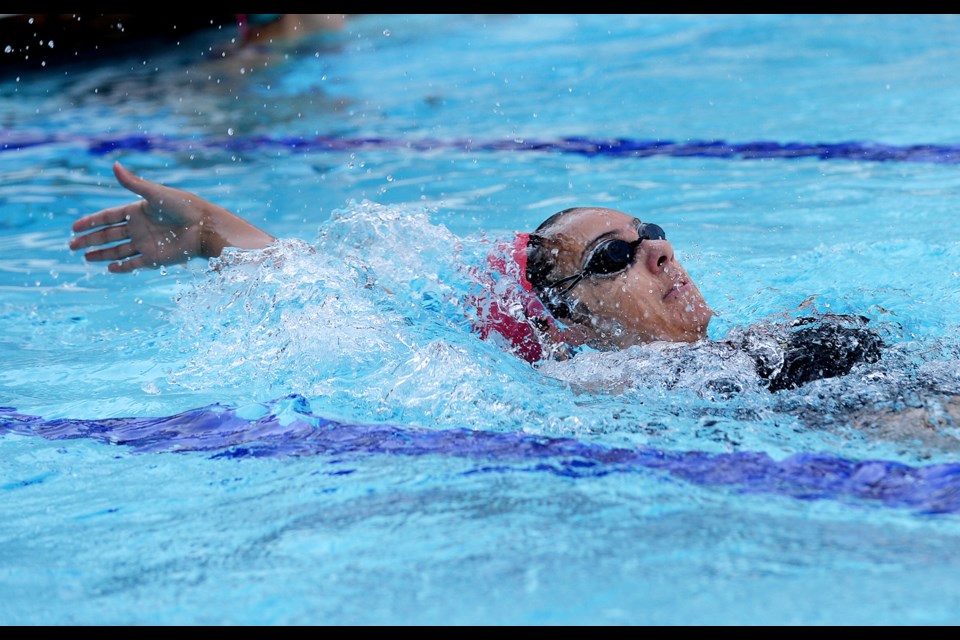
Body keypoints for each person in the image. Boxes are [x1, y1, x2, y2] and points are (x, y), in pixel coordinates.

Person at [69, 162, 884, 392]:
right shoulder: (596, 383)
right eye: (614, 257)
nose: (659, 254)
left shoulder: (754, 344)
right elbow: (353, 306)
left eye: (652, 234)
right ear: (564, 327)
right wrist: (216, 230)